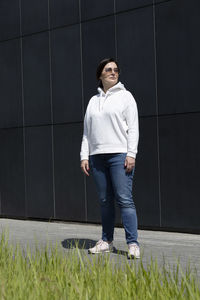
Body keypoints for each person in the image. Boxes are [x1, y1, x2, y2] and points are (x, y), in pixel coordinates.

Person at [80, 58, 140, 259]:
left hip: (119, 155)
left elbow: (133, 128)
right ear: (100, 75)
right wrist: (84, 156)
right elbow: (87, 133)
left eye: (116, 70)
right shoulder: (93, 101)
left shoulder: (126, 97)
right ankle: (106, 241)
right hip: (97, 157)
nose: (113, 72)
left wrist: (131, 153)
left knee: (124, 199)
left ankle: (133, 244)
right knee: (105, 201)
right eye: (108, 70)